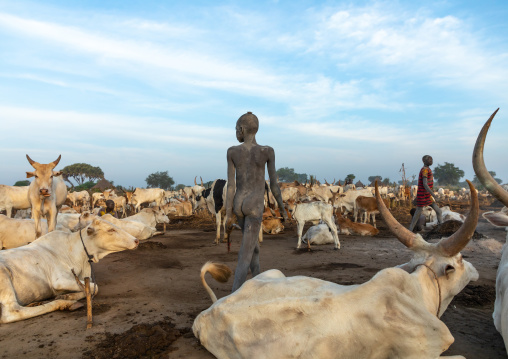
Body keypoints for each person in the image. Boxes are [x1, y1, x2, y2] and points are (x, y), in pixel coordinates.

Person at [225, 112, 288, 292]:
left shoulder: (232, 152)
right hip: (254, 206)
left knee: (253, 249)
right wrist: (282, 209)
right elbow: (274, 185)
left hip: (239, 204)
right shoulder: (267, 151)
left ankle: (259, 286)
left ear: (242, 129)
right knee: (244, 256)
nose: (236, 132)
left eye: (237, 129)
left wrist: (229, 213)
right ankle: (232, 298)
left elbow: (231, 185)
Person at [408, 155, 442, 231]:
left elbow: (421, 185)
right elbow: (424, 184)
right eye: (429, 159)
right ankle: (410, 230)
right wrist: (434, 195)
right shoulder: (425, 170)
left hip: (427, 195)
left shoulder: (427, 169)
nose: (431, 160)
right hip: (423, 195)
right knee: (417, 214)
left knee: (439, 211)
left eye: (431, 159)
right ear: (424, 161)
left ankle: (441, 227)